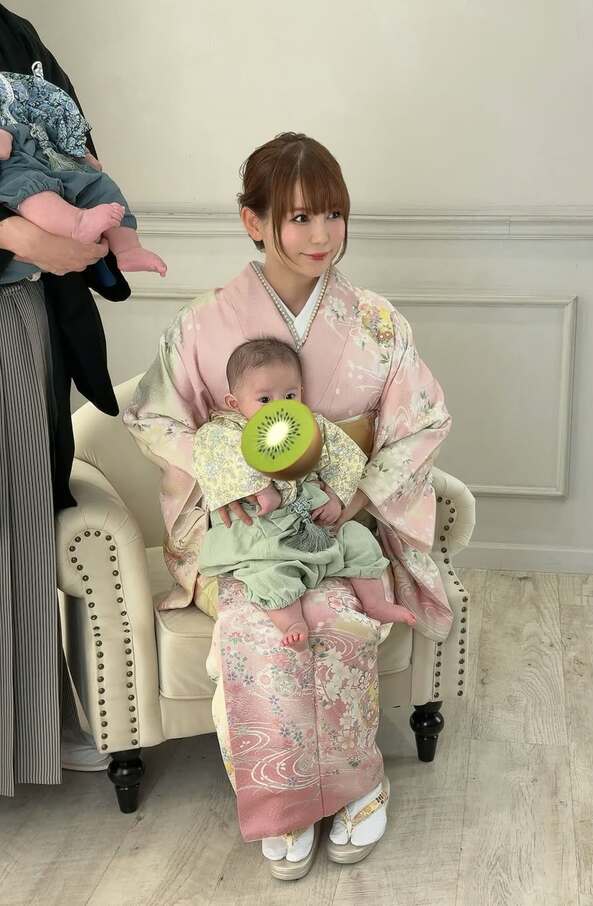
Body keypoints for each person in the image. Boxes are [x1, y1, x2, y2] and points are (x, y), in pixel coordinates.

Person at [125, 132, 453, 879]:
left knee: (338, 620)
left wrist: (357, 493)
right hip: (247, 535)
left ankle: (359, 786)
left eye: (333, 214)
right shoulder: (205, 322)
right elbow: (153, 417)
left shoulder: (375, 322)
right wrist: (232, 477)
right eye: (299, 217)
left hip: (337, 528)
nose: (321, 235)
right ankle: (285, 800)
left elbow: (423, 419)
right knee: (259, 631)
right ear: (254, 220)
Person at [0, 3, 133, 798]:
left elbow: (70, 139)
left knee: (23, 511)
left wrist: (74, 220)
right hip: (13, 268)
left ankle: (30, 725)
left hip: (20, 307)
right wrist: (13, 234)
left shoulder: (15, 34)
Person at [194, 337, 417, 650]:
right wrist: (260, 488)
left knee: (358, 539)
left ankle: (375, 603)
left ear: (301, 391)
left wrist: (336, 498)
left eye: (289, 396)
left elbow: (345, 458)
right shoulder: (225, 432)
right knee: (267, 575)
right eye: (264, 399)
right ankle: (291, 622)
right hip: (264, 534)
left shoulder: (312, 426)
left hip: (312, 523)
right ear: (235, 403)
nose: (280, 407)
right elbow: (210, 456)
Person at [0, 66, 167, 279]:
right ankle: (77, 223)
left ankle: (128, 248)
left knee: (100, 186)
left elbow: (58, 126)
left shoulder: (26, 78)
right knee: (32, 191)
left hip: (50, 166)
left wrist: (81, 153)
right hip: (16, 177)